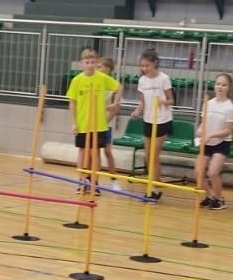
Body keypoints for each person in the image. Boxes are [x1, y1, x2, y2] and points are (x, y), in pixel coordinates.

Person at [66, 48, 119, 191]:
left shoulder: (102, 78)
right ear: (82, 63)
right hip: (82, 123)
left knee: (95, 154)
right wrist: (73, 123)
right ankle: (81, 182)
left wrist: (116, 103)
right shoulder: (77, 80)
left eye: (93, 62)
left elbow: (118, 87)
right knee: (82, 152)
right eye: (87, 62)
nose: (90, 65)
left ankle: (95, 183)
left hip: (99, 125)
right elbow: (72, 102)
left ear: (96, 64)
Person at [128, 48, 174, 200]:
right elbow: (142, 101)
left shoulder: (164, 79)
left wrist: (163, 102)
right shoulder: (142, 80)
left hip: (162, 120)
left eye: (147, 65)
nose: (145, 68)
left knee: (154, 155)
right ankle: (154, 183)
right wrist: (137, 111)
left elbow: (171, 100)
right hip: (148, 119)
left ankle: (152, 189)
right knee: (148, 156)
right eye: (142, 66)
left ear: (154, 63)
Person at [198, 73, 233, 210]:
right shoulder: (208, 104)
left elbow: (227, 130)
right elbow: (203, 123)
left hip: (221, 143)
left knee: (213, 172)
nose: (220, 87)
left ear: (229, 87)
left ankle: (220, 199)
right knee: (198, 172)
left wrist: (212, 135)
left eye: (224, 85)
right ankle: (210, 196)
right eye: (218, 84)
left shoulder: (229, 108)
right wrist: (200, 130)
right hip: (207, 142)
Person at [97, 54, 121, 179]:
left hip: (106, 123)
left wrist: (105, 121)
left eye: (99, 67)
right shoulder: (96, 82)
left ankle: (113, 176)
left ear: (107, 69)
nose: (97, 69)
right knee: (95, 152)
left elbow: (115, 109)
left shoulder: (112, 86)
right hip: (94, 122)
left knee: (107, 150)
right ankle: (94, 179)